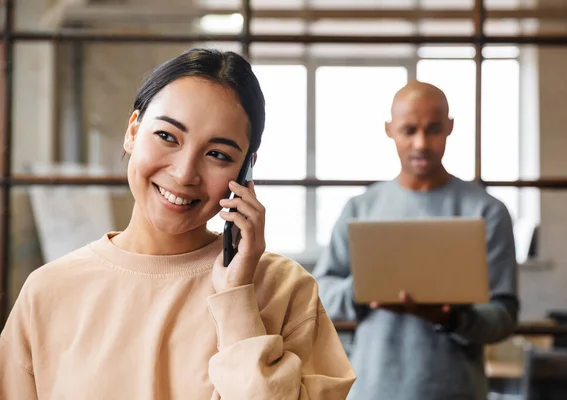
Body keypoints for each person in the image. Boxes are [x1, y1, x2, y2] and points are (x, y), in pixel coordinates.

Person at [0, 49, 355, 399]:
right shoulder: (48, 291)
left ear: (247, 170)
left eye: (218, 154)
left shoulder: (284, 290)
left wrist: (236, 300)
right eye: (167, 136)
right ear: (133, 131)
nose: (185, 174)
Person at [313, 81, 519, 400]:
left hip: (456, 391)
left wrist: (451, 318)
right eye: (409, 130)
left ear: (450, 127)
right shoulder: (361, 208)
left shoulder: (486, 211)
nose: (421, 143)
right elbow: (322, 291)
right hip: (373, 389)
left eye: (433, 129)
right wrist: (366, 288)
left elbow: (504, 316)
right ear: (389, 130)